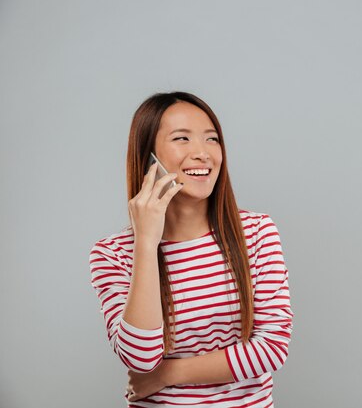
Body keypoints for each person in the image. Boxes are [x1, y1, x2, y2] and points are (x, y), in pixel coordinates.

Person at [89, 92, 293, 407]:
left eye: (212, 139)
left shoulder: (256, 233)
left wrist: (166, 375)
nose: (202, 153)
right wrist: (146, 242)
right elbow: (140, 358)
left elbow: (271, 348)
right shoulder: (112, 253)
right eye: (182, 138)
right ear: (148, 157)